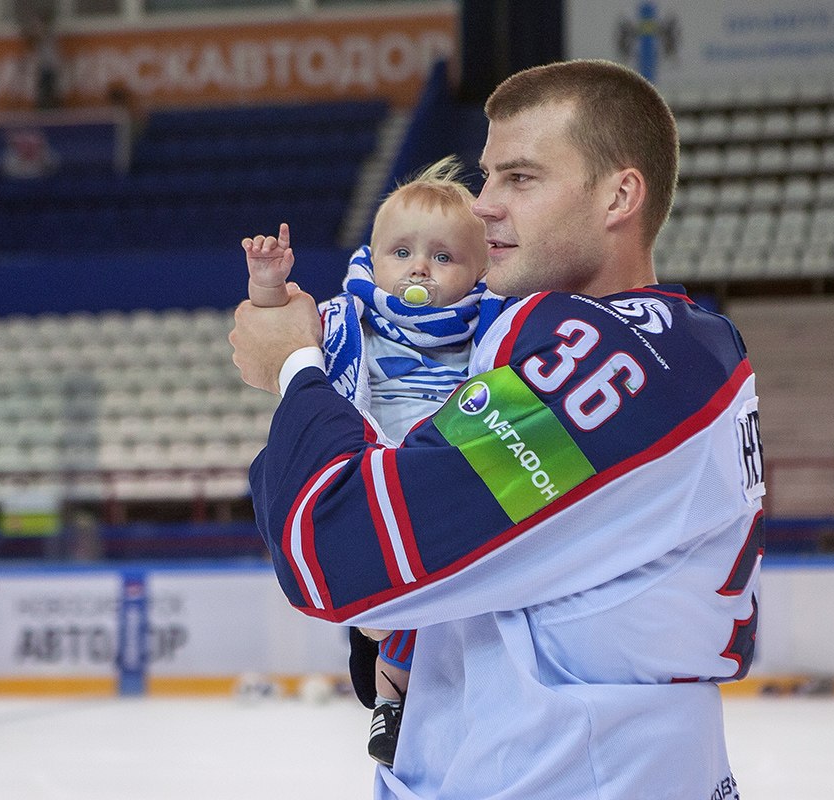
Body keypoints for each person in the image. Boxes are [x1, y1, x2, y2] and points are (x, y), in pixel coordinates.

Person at [231, 59, 762, 799]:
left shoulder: (612, 356)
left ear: (619, 194)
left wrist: (295, 368)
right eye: (486, 178)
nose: (482, 206)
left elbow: (336, 549)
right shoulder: (680, 344)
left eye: (519, 178)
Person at [244, 157, 508, 766]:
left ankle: (397, 696)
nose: (419, 267)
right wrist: (266, 285)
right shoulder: (351, 318)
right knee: (383, 608)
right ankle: (389, 699)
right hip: (366, 475)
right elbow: (280, 335)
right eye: (402, 252)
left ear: (479, 272)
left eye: (443, 258)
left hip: (438, 482)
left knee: (427, 611)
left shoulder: (491, 326)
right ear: (373, 256)